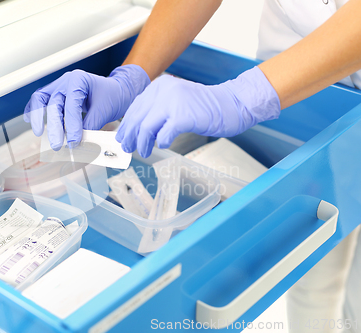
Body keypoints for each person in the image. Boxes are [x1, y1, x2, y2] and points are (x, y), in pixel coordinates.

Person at [24, 0, 361, 332]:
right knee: (312, 265)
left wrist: (243, 96)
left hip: (294, 87)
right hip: (295, 75)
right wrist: (134, 74)